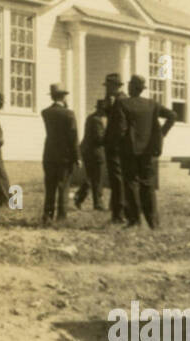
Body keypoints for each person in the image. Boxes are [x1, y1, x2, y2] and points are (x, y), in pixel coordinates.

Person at [114, 74, 177, 230]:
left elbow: (121, 129)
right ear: (142, 89)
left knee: (131, 183)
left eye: (129, 84)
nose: (127, 87)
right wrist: (161, 133)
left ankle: (135, 220)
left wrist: (118, 144)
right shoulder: (152, 104)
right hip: (148, 151)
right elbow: (172, 115)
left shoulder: (122, 104)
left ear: (132, 87)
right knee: (148, 185)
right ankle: (153, 222)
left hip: (129, 151)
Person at [41, 83, 79, 224]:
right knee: (63, 184)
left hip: (49, 153)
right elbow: (73, 136)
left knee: (50, 185)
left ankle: (48, 214)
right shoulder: (69, 114)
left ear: (52, 96)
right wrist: (77, 156)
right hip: (65, 154)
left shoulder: (46, 112)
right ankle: (62, 215)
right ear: (63, 96)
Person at [101, 74, 128, 224]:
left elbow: (120, 126)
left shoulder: (121, 101)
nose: (107, 89)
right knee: (116, 179)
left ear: (115, 86)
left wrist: (115, 143)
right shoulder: (115, 101)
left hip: (116, 146)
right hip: (115, 145)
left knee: (117, 179)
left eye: (109, 86)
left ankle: (119, 213)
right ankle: (117, 209)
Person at [75, 99, 108, 211]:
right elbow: (99, 138)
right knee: (97, 178)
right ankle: (97, 203)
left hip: (88, 151)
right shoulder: (97, 120)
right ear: (101, 109)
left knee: (90, 177)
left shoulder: (91, 118)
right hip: (95, 152)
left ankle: (79, 197)